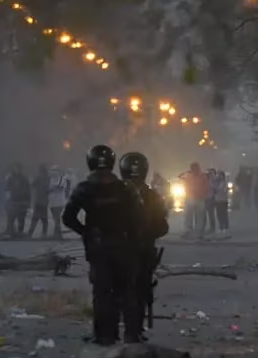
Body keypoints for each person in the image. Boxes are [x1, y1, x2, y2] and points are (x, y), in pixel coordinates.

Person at [63, 145, 143, 345]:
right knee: (126, 291)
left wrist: (87, 232)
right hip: (123, 244)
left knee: (101, 292)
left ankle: (104, 335)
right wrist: (132, 237)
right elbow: (139, 217)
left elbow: (68, 218)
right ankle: (132, 334)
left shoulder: (84, 189)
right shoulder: (126, 189)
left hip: (98, 246)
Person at [119, 152, 169, 337]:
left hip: (119, 251)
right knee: (140, 291)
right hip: (143, 251)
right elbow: (163, 226)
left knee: (117, 291)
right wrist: (147, 235)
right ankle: (135, 330)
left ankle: (111, 332)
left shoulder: (114, 193)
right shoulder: (153, 196)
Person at [4, 164, 31, 238]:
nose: (16, 170)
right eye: (15, 168)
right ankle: (12, 232)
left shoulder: (24, 178)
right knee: (11, 217)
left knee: (21, 218)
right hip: (13, 201)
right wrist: (7, 200)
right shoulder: (10, 178)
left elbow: (28, 190)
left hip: (22, 201)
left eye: (18, 168)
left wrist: (28, 202)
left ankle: (20, 232)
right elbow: (7, 189)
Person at [47, 165, 71, 239]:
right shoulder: (50, 179)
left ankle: (58, 234)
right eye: (52, 170)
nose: (54, 172)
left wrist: (51, 189)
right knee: (55, 218)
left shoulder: (62, 178)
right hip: (52, 202)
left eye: (55, 170)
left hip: (59, 202)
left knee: (57, 217)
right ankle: (57, 233)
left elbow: (59, 187)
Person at [27, 164, 50, 238]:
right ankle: (44, 234)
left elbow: (32, 185)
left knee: (35, 218)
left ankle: (30, 233)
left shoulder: (38, 178)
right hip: (45, 201)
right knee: (44, 219)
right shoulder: (48, 178)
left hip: (39, 201)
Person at [213, 170, 230, 234]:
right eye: (218, 175)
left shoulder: (225, 182)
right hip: (217, 200)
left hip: (223, 200)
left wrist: (217, 188)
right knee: (219, 215)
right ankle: (221, 227)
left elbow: (224, 190)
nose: (219, 176)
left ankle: (225, 227)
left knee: (224, 214)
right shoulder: (216, 182)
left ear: (223, 176)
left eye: (220, 175)